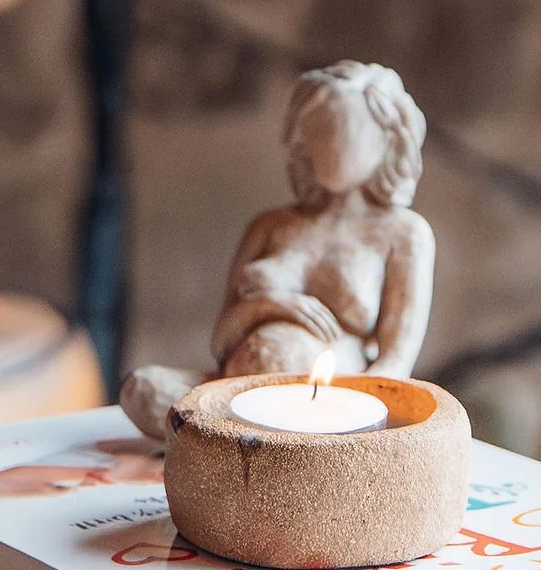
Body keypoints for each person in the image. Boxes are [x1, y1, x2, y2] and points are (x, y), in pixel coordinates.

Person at [120, 60, 434, 440]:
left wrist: (351, 411)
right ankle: (237, 439)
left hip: (334, 407)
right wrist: (272, 305)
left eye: (342, 132)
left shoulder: (404, 234)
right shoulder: (271, 225)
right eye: (317, 133)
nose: (326, 147)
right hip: (233, 388)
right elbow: (221, 340)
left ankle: (243, 444)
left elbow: (395, 364)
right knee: (143, 389)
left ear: (387, 137)